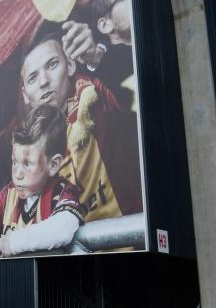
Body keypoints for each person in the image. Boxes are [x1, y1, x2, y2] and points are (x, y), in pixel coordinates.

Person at [20, 22, 142, 225]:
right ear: (25, 95)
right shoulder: (25, 147)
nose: (43, 81)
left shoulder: (95, 95)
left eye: (52, 65)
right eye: (33, 78)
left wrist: (98, 57)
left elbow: (129, 92)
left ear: (70, 65)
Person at [0, 105, 85, 258]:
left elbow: (62, 230)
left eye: (27, 164)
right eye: (14, 162)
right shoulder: (8, 194)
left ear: (53, 165)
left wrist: (12, 242)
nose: (17, 174)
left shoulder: (63, 191)